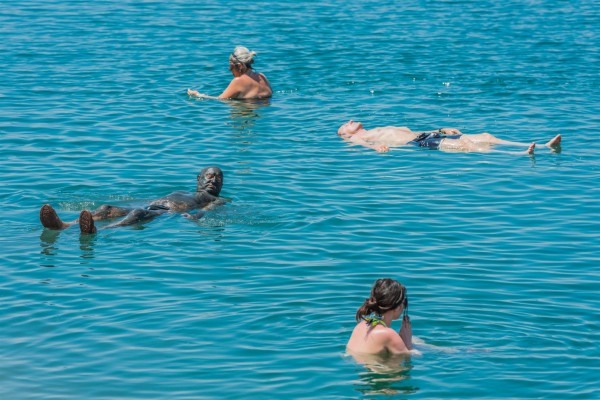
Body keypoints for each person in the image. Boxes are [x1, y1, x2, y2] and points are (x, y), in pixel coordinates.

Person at [40, 166, 225, 234]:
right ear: (198, 179)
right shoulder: (182, 191)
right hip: (151, 204)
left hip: (165, 213)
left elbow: (208, 209)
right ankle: (64, 224)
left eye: (218, 178)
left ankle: (99, 230)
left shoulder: (217, 199)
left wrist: (196, 216)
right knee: (106, 208)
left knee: (138, 214)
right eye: (209, 176)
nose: (213, 181)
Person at [338, 120, 562, 154]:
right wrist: (376, 148)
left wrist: (443, 129)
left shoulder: (379, 126)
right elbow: (360, 143)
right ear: (345, 133)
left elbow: (413, 128)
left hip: (426, 134)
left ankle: (543, 145)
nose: (350, 121)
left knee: (485, 135)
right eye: (345, 124)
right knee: (467, 145)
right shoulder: (356, 138)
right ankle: (521, 153)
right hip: (419, 143)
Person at [346, 278, 413, 355]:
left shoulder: (361, 325)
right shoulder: (389, 334)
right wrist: (408, 344)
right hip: (377, 366)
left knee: (417, 341)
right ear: (398, 307)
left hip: (359, 365)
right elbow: (410, 356)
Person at [188, 46, 272, 100]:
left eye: (231, 66)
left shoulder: (238, 81)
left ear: (240, 66)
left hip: (245, 113)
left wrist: (198, 95)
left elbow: (220, 99)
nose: (229, 69)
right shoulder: (262, 77)